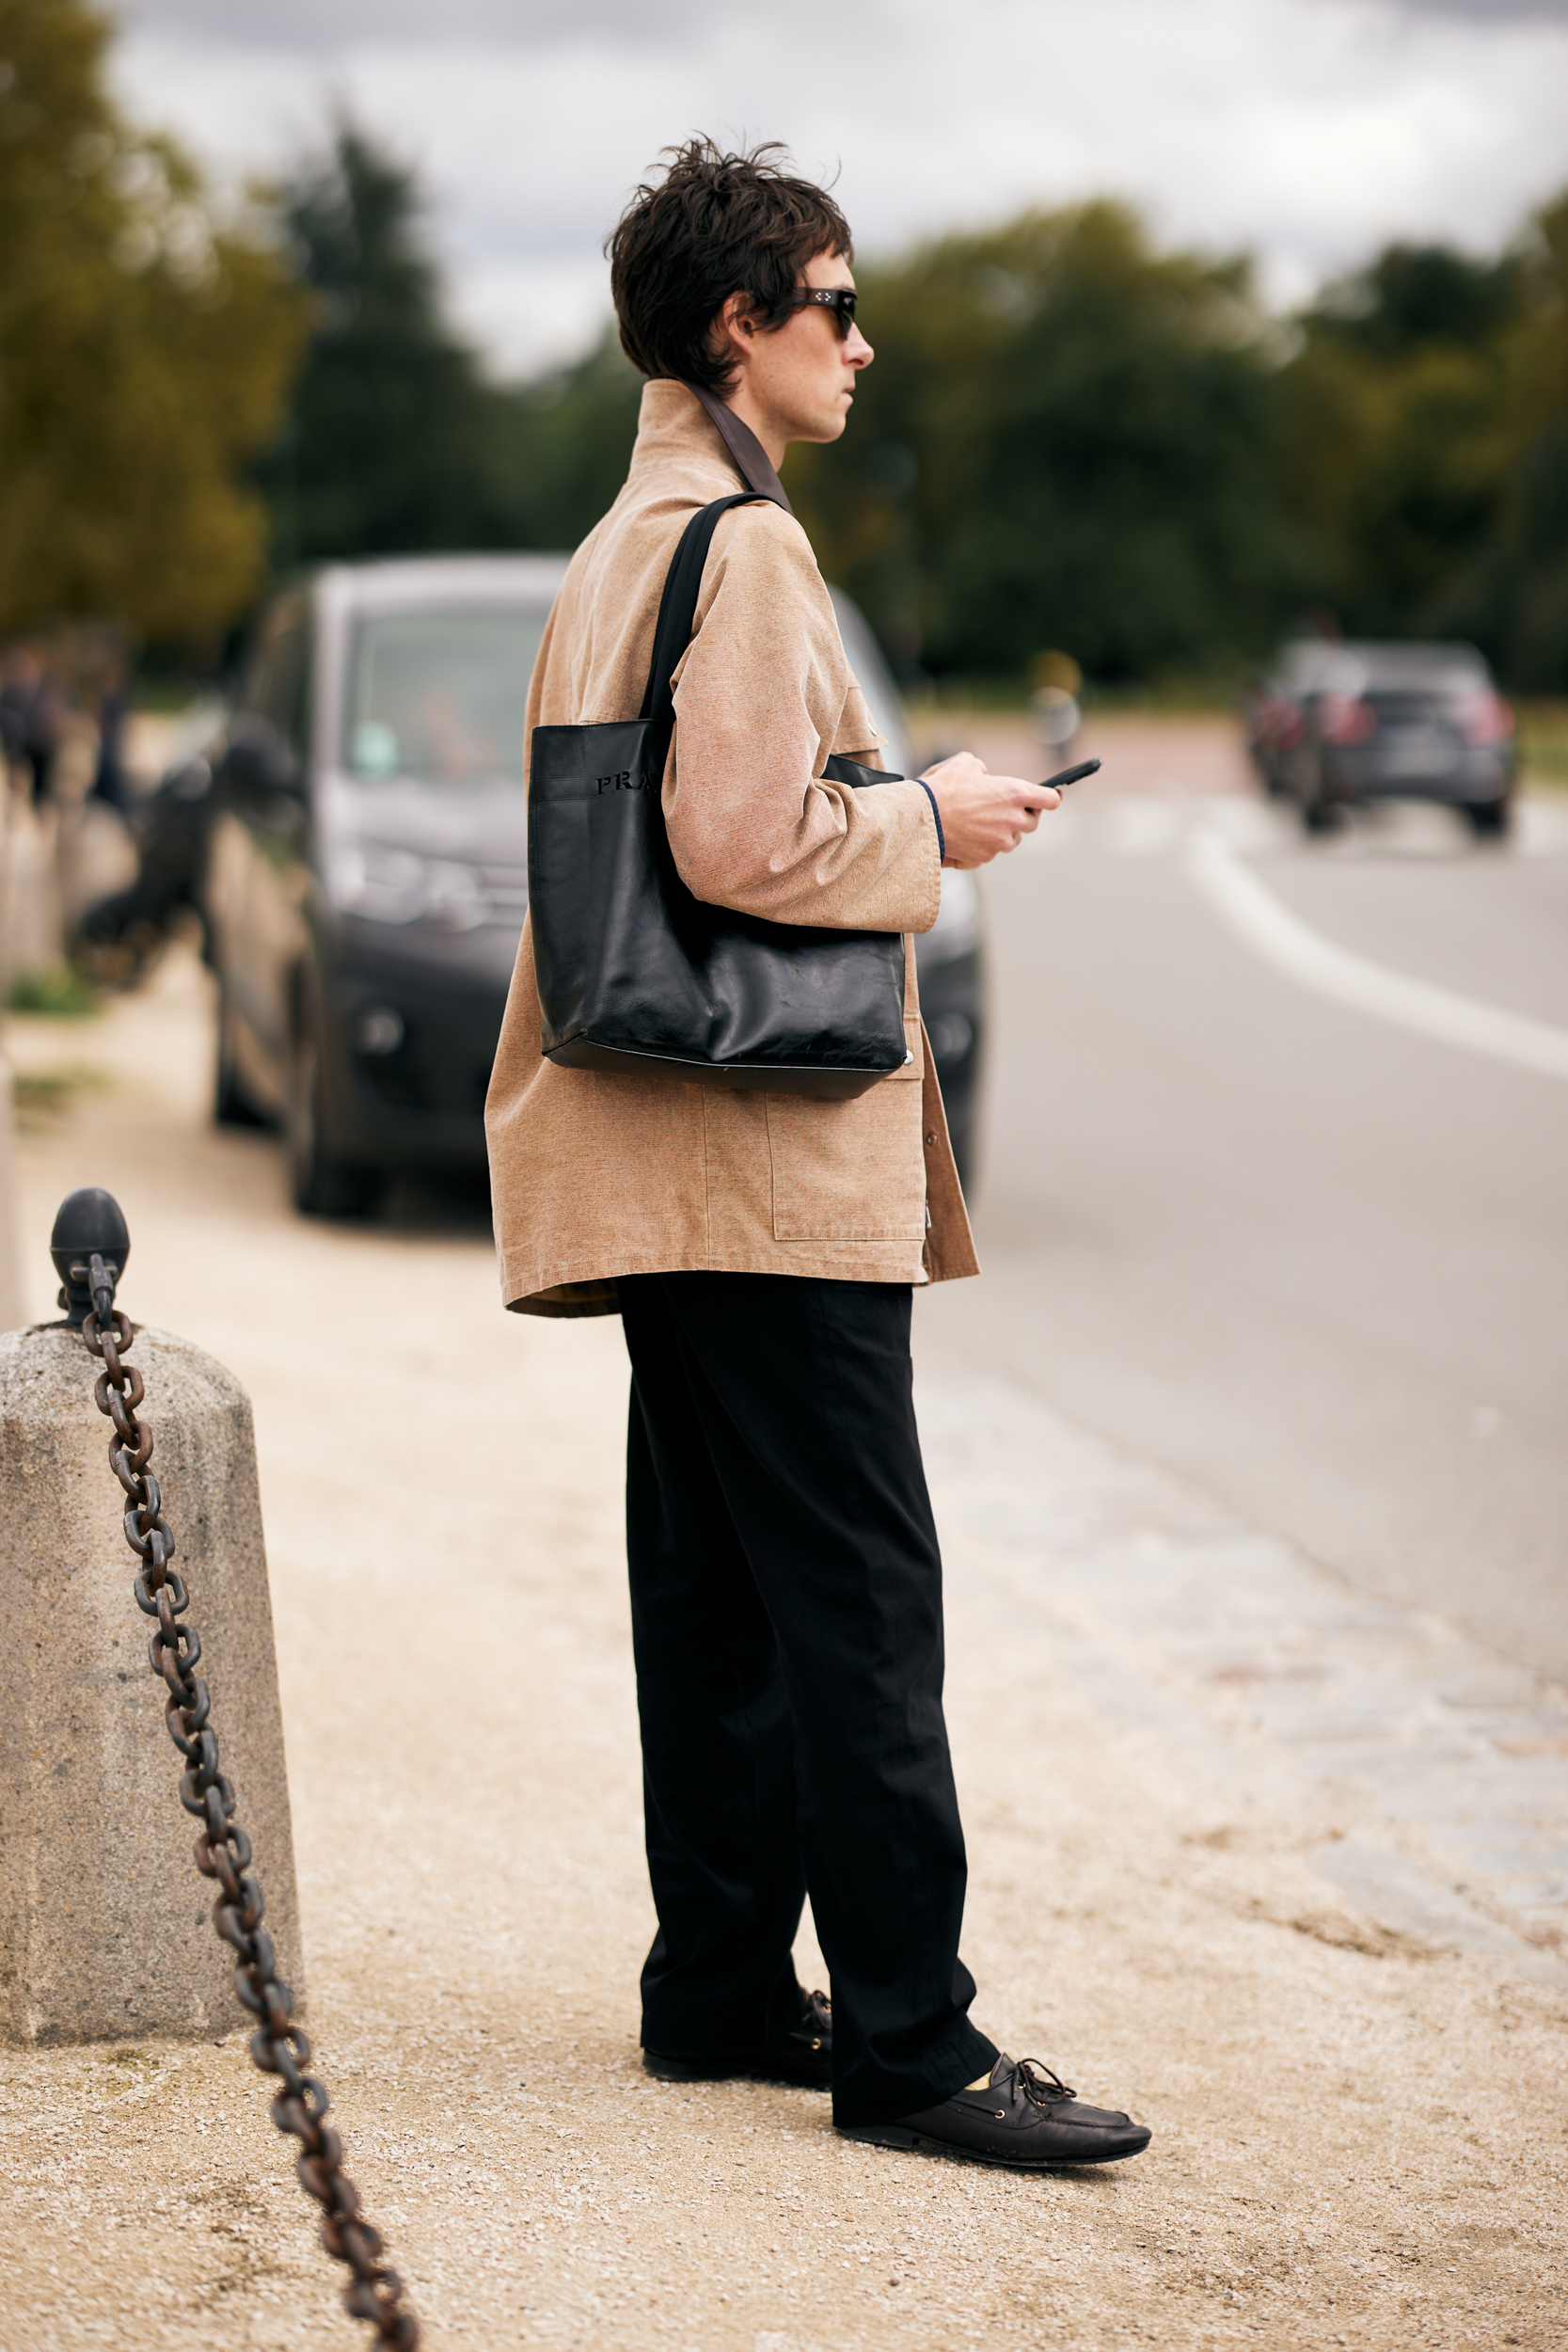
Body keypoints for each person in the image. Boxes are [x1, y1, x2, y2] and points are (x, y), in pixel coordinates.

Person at [485, 139, 1150, 2172]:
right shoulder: (748, 549)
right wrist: (932, 819)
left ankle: (713, 1987)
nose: (865, 344)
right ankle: (916, 2044)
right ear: (733, 329)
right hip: (767, 1158)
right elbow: (744, 839)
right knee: (860, 1593)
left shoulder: (621, 539)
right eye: (833, 306)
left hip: (654, 1152)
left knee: (721, 1593)